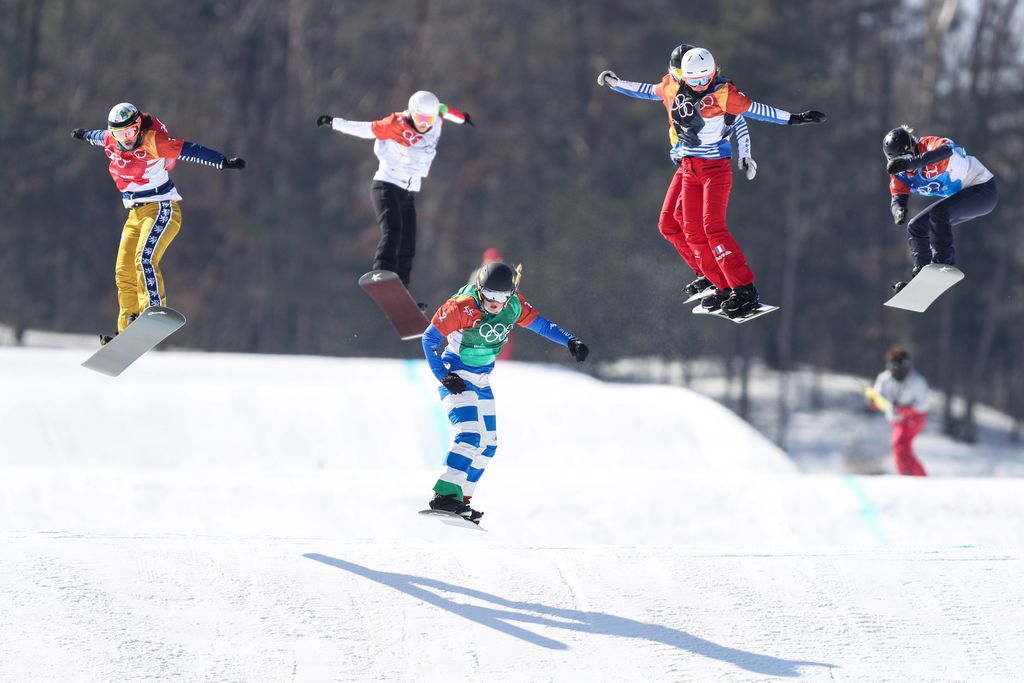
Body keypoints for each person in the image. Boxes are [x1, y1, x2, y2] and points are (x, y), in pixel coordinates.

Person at [597, 45, 826, 317]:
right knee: (691, 231)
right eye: (691, 80)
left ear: (712, 73)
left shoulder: (723, 94)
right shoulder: (673, 85)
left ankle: (743, 288)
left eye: (703, 79)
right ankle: (721, 284)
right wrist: (616, 84)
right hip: (688, 168)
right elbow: (647, 90)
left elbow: (756, 111)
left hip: (715, 169)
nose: (697, 85)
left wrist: (795, 119)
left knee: (712, 229)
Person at [421, 261, 589, 523]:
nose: (494, 302)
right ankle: (443, 495)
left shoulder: (513, 305)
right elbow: (429, 338)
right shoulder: (462, 306)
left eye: (501, 297)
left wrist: (570, 340)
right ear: (479, 289)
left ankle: (462, 499)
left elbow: (541, 325)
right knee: (469, 435)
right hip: (458, 377)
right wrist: (444, 376)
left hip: (482, 379)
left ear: (510, 294)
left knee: (489, 445)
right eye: (489, 295)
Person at [71, 103, 245, 342]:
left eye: (130, 132)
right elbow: (98, 137)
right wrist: (84, 135)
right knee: (123, 271)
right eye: (120, 134)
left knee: (144, 258)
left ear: (139, 127)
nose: (126, 139)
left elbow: (191, 150)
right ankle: (126, 329)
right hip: (135, 214)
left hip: (162, 208)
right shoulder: (112, 139)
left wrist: (222, 161)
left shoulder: (153, 142)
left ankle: (154, 312)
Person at [317, 91, 474, 291]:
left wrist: (463, 119)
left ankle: (402, 288)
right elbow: (366, 129)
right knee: (393, 231)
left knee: (408, 243)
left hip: (407, 192)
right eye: (421, 118)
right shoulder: (395, 124)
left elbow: (445, 109)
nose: (425, 123)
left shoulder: (436, 119)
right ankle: (381, 273)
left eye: (429, 119)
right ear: (412, 112)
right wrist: (335, 122)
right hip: (386, 185)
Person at [883, 125, 997, 292]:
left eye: (907, 158)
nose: (908, 167)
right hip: (965, 195)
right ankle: (921, 277)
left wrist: (910, 163)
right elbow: (897, 198)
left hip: (983, 189)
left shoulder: (928, 145)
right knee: (916, 227)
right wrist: (898, 211)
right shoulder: (901, 174)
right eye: (900, 162)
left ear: (912, 148)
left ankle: (943, 263)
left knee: (938, 214)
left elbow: (946, 151)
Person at [870, 346, 929, 476]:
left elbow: (923, 405)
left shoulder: (917, 381)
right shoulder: (884, 379)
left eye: (899, 365)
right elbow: (877, 397)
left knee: (899, 444)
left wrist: (907, 410)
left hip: (915, 418)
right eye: (893, 365)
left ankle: (913, 475)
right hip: (896, 418)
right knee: (901, 447)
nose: (896, 369)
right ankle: (913, 474)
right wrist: (875, 402)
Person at [469, 248, 514, 360]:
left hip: (501, 314)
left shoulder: (506, 274)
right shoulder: (478, 274)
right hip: (483, 315)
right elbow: (471, 294)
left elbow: (513, 295)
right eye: (490, 260)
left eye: (496, 260)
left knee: (502, 340)